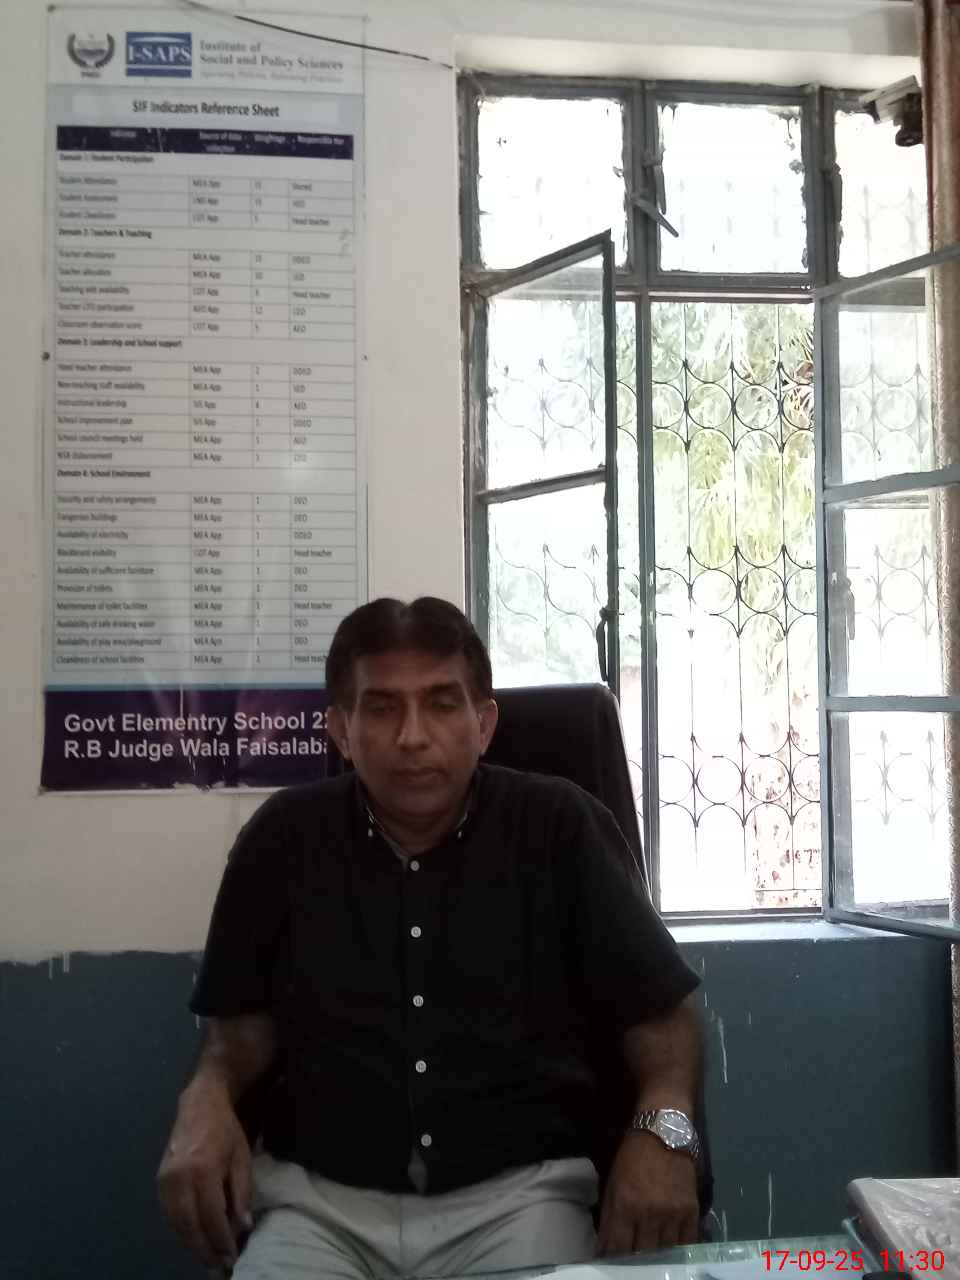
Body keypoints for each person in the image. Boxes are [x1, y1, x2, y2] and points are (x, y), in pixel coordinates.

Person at [157, 596, 704, 1279]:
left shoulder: (559, 829)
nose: (412, 736)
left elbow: (662, 1013)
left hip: (518, 1201)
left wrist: (665, 1130)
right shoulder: (281, 841)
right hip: (318, 1205)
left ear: (484, 723)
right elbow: (236, 1038)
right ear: (341, 730)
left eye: (442, 704)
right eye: (382, 708)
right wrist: (205, 1097)